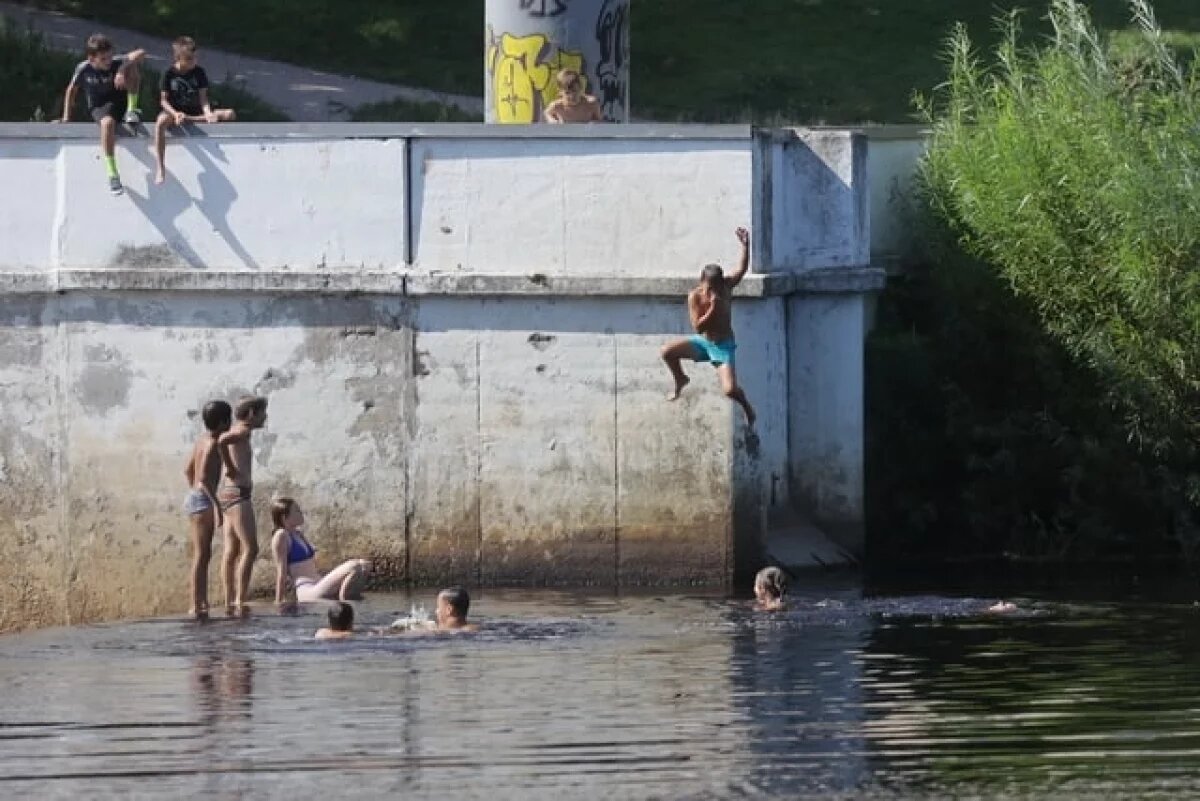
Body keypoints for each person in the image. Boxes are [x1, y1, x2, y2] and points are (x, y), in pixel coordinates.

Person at [660, 226, 757, 426]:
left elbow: (741, 269)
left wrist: (746, 246)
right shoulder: (695, 296)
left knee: (730, 390)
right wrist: (713, 307)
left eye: (717, 286)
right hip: (703, 343)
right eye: (710, 287)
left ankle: (747, 407)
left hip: (722, 346)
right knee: (667, 351)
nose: (714, 291)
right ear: (702, 282)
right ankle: (681, 379)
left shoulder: (727, 287)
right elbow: (697, 327)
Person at [60, 34, 146, 196]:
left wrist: (121, 69)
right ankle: (112, 172)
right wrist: (66, 116)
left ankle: (132, 109)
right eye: (103, 59)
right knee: (107, 124)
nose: (108, 62)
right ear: (92, 59)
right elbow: (71, 90)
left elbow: (140, 53)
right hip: (99, 106)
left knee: (131, 65)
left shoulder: (114, 62)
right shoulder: (84, 68)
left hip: (119, 101)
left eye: (109, 57)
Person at [154, 36, 237, 185]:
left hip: (194, 113)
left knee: (229, 113)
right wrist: (175, 113)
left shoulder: (199, 72)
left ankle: (190, 119)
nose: (194, 62)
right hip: (175, 113)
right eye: (190, 59)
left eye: (195, 58)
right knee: (160, 122)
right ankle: (160, 167)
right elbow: (163, 101)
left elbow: (203, 98)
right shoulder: (168, 73)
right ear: (178, 58)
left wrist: (207, 112)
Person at [182, 400, 233, 620]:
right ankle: (196, 603)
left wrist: (193, 491)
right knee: (202, 554)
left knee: (202, 554)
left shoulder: (201, 441)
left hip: (195, 497)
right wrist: (217, 506)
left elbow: (187, 470)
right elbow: (203, 479)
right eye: (228, 419)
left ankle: (200, 601)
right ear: (222, 422)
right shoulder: (213, 444)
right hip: (204, 500)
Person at [217, 395, 268, 616]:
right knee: (250, 548)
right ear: (251, 414)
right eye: (262, 413)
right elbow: (221, 441)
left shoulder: (240, 432)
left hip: (228, 494)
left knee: (231, 550)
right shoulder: (243, 431)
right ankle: (240, 599)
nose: (265, 417)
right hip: (238, 495)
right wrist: (229, 467)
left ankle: (229, 599)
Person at [269, 497, 371, 605]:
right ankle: (344, 605)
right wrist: (278, 602)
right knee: (354, 566)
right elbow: (281, 572)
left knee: (365, 565)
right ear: (285, 517)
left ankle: (347, 605)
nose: (301, 513)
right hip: (308, 590)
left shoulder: (298, 534)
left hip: (319, 583)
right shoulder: (281, 536)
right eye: (297, 511)